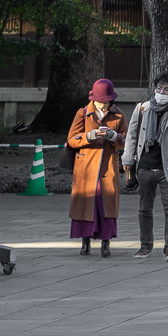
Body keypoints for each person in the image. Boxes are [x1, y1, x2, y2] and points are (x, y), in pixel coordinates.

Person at [121, 72, 168, 261]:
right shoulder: (142, 109)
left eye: (166, 89)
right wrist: (127, 160)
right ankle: (145, 246)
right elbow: (132, 136)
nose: (161, 92)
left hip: (167, 168)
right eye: (159, 88)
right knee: (145, 208)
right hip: (144, 167)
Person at [67, 77, 127, 258]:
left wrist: (113, 136)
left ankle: (105, 243)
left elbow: (125, 140)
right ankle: (84, 242)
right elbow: (72, 139)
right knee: (86, 203)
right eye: (99, 101)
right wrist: (89, 136)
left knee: (106, 203)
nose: (102, 105)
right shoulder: (83, 113)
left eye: (106, 101)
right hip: (86, 167)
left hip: (108, 166)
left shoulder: (119, 115)